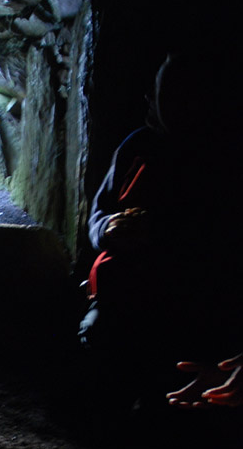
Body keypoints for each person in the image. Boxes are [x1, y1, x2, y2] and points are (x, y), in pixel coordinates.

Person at [80, 52, 243, 417]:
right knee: (101, 338)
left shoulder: (226, 162)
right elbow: (98, 214)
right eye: (155, 92)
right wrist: (108, 229)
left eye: (166, 93)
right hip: (125, 297)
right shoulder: (138, 147)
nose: (151, 101)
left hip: (194, 303)